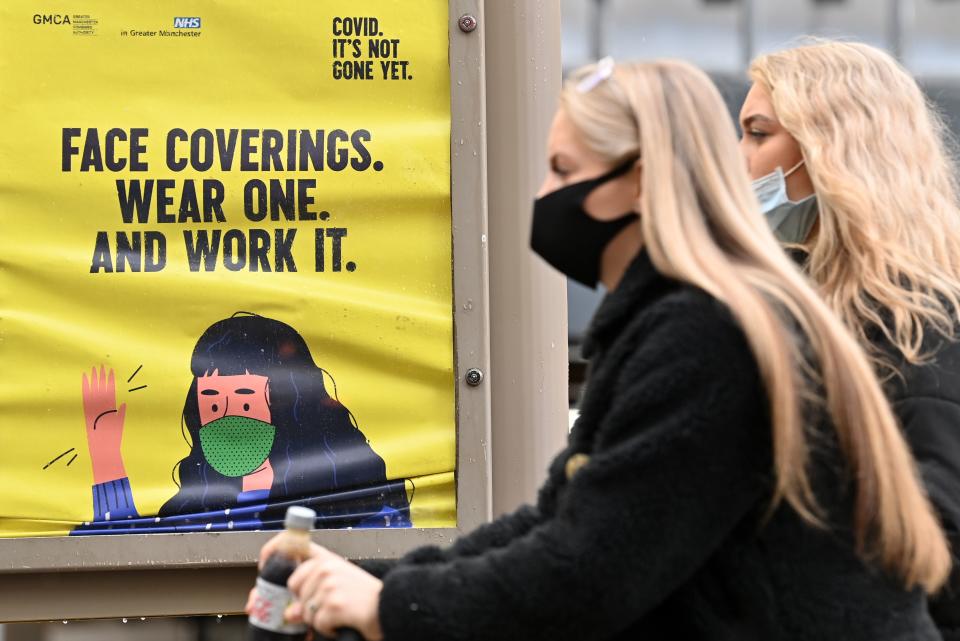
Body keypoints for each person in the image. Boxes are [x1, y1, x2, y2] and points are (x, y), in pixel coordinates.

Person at [248, 59, 950, 640]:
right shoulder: (676, 320)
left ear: (639, 180)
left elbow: (589, 571)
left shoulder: (710, 335)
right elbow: (561, 516)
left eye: (561, 168)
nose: (545, 194)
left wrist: (386, 606)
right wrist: (381, 584)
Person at [741, 39, 960, 639]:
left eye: (758, 135)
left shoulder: (918, 323)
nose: (739, 160)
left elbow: (935, 533)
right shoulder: (807, 302)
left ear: (831, 148)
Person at [73, 313, 410, 534]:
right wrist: (106, 459)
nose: (229, 417)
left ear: (288, 404)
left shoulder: (353, 494)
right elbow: (128, 556)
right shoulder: (197, 504)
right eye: (214, 402)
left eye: (246, 399)